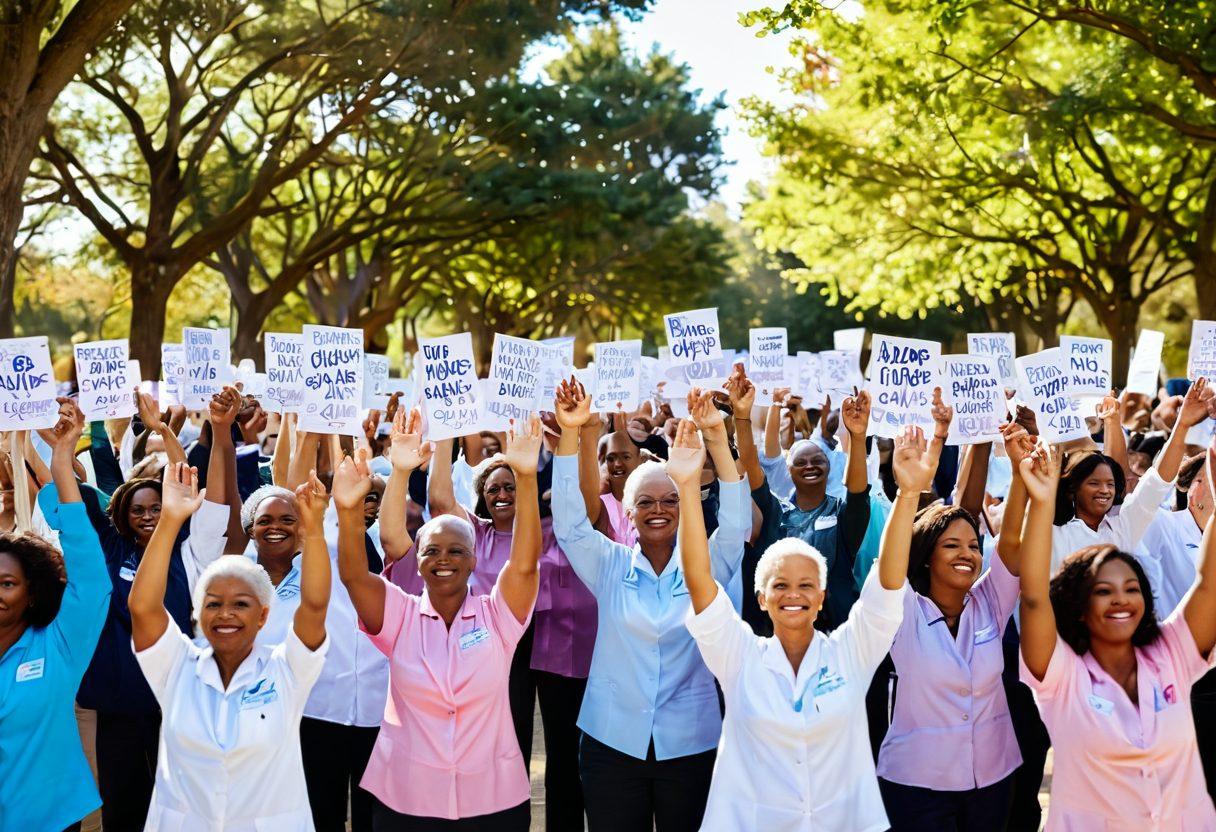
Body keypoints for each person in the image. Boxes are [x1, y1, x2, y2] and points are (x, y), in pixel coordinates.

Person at [681, 420, 934, 831]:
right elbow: (698, 582)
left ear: (821, 596)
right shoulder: (739, 656)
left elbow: (885, 587)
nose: (792, 594)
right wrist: (688, 488)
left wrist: (908, 494)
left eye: (805, 585)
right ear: (761, 599)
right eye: (780, 585)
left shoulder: (851, 652)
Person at [551, 382, 749, 832]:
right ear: (628, 511)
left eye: (670, 499)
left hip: (690, 744)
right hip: (611, 743)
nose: (658, 509)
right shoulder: (608, 563)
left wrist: (716, 438)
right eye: (645, 502)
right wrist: (569, 432)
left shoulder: (708, 566)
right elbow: (568, 524)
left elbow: (736, 523)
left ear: (686, 505)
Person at [339, 420, 543, 830]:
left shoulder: (497, 616)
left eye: (456, 550)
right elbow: (355, 577)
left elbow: (524, 563)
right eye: (431, 550)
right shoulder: (399, 615)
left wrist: (525, 476)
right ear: (417, 561)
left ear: (474, 561)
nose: (443, 558)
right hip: (407, 800)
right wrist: (347, 511)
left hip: (493, 799)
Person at [1019, 436, 1216, 829]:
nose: (1120, 601)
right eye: (1103, 591)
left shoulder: (1169, 654)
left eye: (1131, 588)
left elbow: (1208, 584)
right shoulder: (1063, 676)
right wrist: (1040, 502)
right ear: (1076, 602)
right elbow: (1034, 597)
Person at [59, 391, 234, 832]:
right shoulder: (108, 550)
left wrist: (164, 431)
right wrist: (60, 448)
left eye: (157, 507)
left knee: (178, 807)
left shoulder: (193, 553)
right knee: (121, 807)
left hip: (177, 705)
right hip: (117, 709)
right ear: (122, 514)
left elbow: (199, 491)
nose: (149, 515)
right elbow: (72, 496)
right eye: (138, 510)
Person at [128, 462, 332, 830]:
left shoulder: (287, 670)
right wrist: (171, 519)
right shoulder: (176, 666)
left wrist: (314, 528)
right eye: (213, 603)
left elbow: (314, 605)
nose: (226, 614)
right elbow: (143, 608)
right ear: (197, 612)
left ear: (263, 616)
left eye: (241, 604)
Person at [875, 396, 1023, 830]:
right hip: (917, 786)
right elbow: (890, 562)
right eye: (952, 546)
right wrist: (909, 489)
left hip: (993, 780)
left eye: (974, 546)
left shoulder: (989, 602)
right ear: (925, 556)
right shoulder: (902, 608)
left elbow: (1011, 541)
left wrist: (1020, 471)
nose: (968, 555)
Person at [0, 400, 111, 832]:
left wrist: (62, 461)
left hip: (48, 818)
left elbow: (91, 577)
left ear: (33, 593)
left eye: (7, 583)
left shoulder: (59, 645)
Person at [1051, 378, 1212, 571]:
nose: (1105, 490)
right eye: (1094, 483)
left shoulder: (1123, 527)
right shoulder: (1053, 535)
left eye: (1110, 484)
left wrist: (1183, 424)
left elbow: (1156, 482)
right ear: (1072, 488)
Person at [762, 387, 872, 630]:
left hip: (837, 628)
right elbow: (755, 470)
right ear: (788, 471)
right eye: (800, 462)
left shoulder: (842, 514)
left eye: (817, 460)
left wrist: (858, 436)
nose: (809, 466)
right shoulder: (776, 515)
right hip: (783, 628)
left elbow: (857, 493)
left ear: (830, 467)